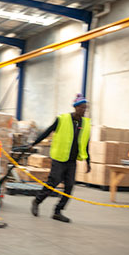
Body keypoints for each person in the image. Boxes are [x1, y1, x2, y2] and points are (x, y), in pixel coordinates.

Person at [29, 94, 91, 223]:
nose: (84, 110)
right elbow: (48, 131)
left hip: (72, 160)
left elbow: (86, 143)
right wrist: (34, 143)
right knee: (53, 182)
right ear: (75, 107)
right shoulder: (62, 119)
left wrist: (88, 161)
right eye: (82, 107)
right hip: (59, 158)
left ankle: (58, 211)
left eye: (85, 108)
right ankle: (37, 201)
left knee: (69, 187)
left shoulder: (85, 124)